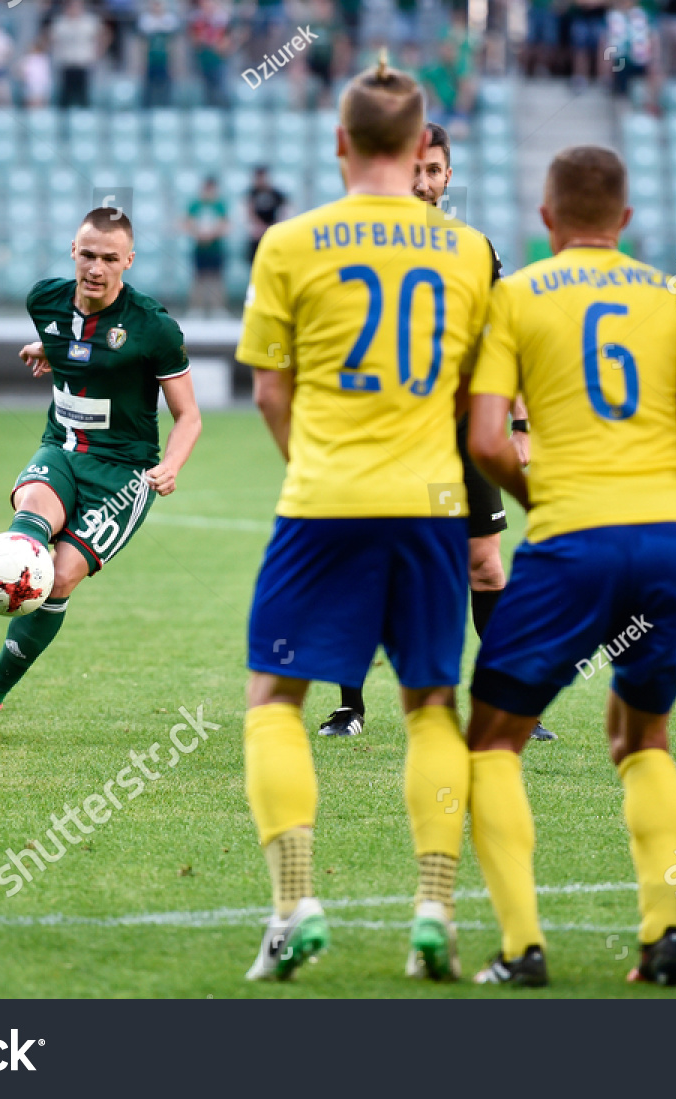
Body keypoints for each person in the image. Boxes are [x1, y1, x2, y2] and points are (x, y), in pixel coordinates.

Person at [235, 60, 497, 982]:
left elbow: (271, 391)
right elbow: (479, 403)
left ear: (341, 143)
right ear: (421, 146)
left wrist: (315, 465)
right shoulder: (466, 252)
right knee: (432, 704)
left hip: (324, 500)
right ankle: (432, 910)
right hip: (431, 506)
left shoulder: (289, 243)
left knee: (275, 700)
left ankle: (295, 902)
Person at [463, 145, 676, 988]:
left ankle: (522, 948)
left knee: (494, 739)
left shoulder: (517, 294)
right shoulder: (669, 294)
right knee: (645, 734)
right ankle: (664, 938)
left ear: (545, 220)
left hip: (574, 537)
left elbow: (487, 440)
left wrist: (548, 499)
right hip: (675, 536)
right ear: (628, 221)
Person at [317, 122, 553, 744]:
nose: (423, 183)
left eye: (434, 171)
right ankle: (350, 707)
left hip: (463, 430)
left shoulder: (474, 249)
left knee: (484, 564)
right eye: (412, 170)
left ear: (448, 176)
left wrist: (521, 423)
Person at [0, 207, 202, 744]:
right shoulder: (45, 300)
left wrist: (170, 465)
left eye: (109, 258)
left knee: (57, 579)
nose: (96, 268)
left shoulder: (154, 327)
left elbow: (189, 415)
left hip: (124, 473)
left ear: (128, 260)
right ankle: (1, 568)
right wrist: (50, 351)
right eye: (87, 254)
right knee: (31, 512)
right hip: (61, 446)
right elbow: (78, 348)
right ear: (72, 253)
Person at [185, 176, 229, 316]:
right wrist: (198, 233)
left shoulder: (220, 205)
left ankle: (218, 308)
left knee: (216, 278)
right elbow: (186, 222)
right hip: (200, 247)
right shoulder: (196, 205)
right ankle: (196, 308)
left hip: (216, 247)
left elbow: (226, 224)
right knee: (199, 278)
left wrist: (212, 234)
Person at [52, 0, 106, 109]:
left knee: (84, 97)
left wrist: (99, 52)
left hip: (83, 64)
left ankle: (84, 122)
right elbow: (53, 39)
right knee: (64, 98)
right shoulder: (61, 23)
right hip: (67, 64)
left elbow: (104, 35)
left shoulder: (89, 21)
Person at [138, 0, 181, 107]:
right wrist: (142, 62)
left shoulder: (170, 20)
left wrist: (174, 63)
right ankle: (147, 112)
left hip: (165, 60)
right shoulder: (146, 20)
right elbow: (143, 45)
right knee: (148, 90)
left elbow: (172, 45)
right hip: (151, 60)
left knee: (166, 89)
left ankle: (166, 111)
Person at [245, 167, 287, 262]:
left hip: (273, 233)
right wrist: (259, 226)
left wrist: (273, 226)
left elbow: (285, 211)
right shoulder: (251, 193)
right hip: (256, 235)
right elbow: (248, 211)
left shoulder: (277, 194)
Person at [20, 30, 55, 108]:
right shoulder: (28, 59)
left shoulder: (44, 59)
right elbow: (20, 72)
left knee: (40, 103)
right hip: (31, 85)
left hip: (41, 85)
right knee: (32, 103)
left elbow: (45, 75)